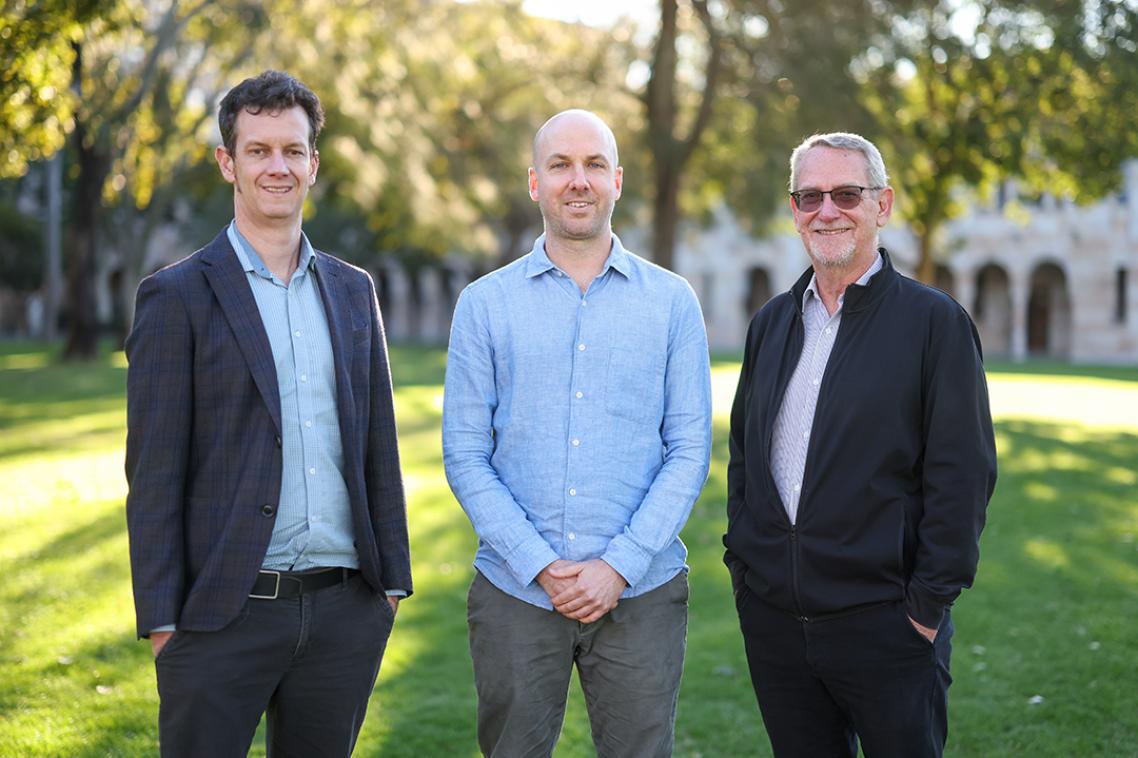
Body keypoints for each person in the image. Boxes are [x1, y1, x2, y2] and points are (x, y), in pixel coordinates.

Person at [124, 70, 411, 757]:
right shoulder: (177, 297)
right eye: (258, 151)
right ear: (228, 162)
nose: (277, 167)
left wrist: (391, 584)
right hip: (222, 615)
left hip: (345, 611)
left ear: (315, 162)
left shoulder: (352, 291)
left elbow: (378, 447)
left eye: (292, 150)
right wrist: (163, 621)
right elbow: (154, 472)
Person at [442, 109, 712, 757]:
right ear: (535, 182)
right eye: (560, 164)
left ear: (616, 181)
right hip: (515, 593)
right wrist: (540, 565)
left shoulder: (672, 302)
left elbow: (690, 449)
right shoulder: (485, 304)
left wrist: (616, 567)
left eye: (593, 164)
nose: (578, 180)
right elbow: (466, 454)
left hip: (641, 593)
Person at [724, 132, 997, 758]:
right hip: (776, 626)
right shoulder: (771, 323)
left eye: (846, 194)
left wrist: (925, 609)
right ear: (793, 211)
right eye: (809, 196)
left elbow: (962, 477)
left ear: (883, 205)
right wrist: (746, 569)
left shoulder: (934, 323)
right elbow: (744, 458)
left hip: (888, 628)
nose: (827, 210)